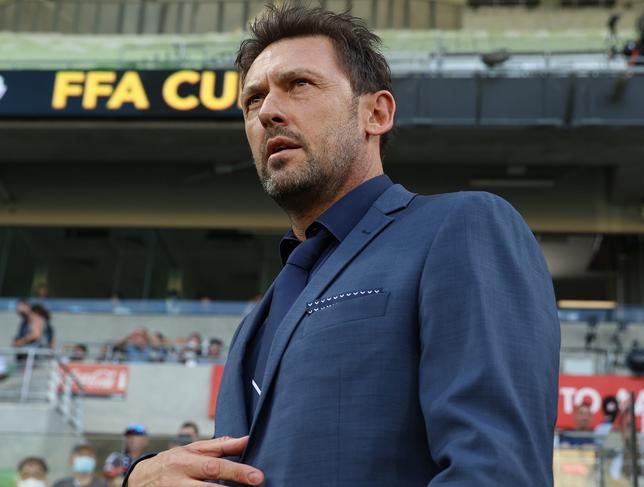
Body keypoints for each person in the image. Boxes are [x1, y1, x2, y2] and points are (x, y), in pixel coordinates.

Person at [126, 5, 560, 486]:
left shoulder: (459, 226)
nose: (268, 111)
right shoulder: (258, 321)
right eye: (252, 101)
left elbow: (493, 472)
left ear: (376, 113)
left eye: (299, 85)